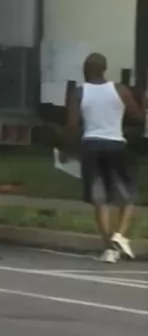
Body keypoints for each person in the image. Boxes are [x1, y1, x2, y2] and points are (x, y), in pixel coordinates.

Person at [66, 53, 143, 263]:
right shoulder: (119, 90)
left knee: (100, 198)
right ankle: (120, 234)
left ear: (85, 70)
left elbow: (72, 125)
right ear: (105, 68)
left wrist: (69, 143)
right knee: (127, 194)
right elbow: (138, 116)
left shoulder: (79, 92)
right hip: (116, 144)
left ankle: (108, 249)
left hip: (90, 145)